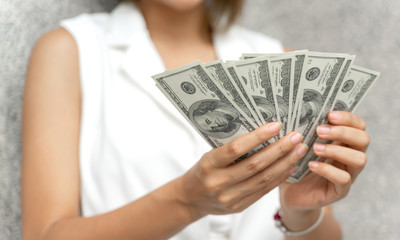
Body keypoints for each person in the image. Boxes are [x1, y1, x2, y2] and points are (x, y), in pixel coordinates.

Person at [21, 0, 370, 239]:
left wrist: (301, 212)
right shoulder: (72, 50)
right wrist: (187, 200)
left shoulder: (280, 58)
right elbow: (45, 234)